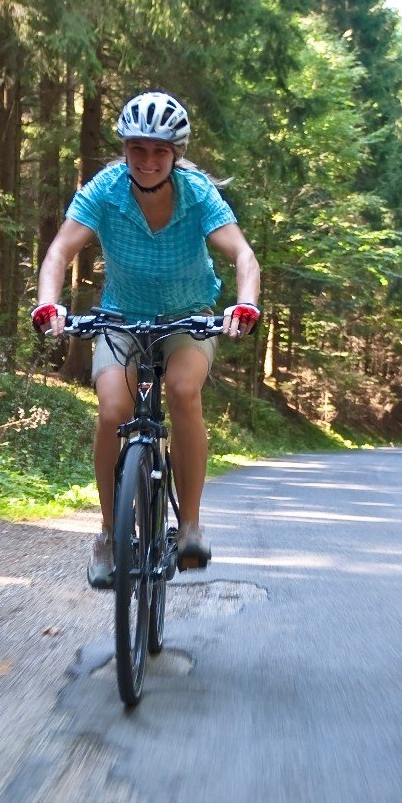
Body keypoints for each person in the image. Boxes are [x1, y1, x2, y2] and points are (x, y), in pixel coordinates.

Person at [33, 90, 262, 589]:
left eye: (160, 150)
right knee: (113, 410)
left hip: (187, 318)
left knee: (182, 390)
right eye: (137, 148)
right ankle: (108, 535)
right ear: (124, 149)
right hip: (121, 317)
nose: (148, 160)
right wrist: (48, 303)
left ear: (176, 153)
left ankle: (191, 528)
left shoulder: (196, 192)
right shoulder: (105, 189)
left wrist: (244, 304)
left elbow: (243, 255)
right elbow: (60, 251)